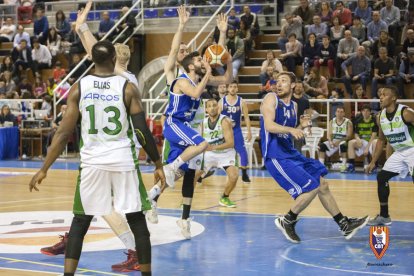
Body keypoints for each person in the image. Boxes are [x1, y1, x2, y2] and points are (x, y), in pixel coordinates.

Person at [29, 40, 166, 276]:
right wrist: (157, 163)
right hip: (123, 161)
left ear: (92, 60)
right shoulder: (127, 88)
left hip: (92, 164)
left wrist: (44, 168)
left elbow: (63, 133)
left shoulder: (79, 88)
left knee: (80, 222)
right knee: (137, 220)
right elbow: (142, 131)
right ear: (114, 59)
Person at [146, 8, 231, 241]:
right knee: (172, 168)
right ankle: (155, 198)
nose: (189, 52)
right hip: (176, 126)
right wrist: (181, 25)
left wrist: (221, 37)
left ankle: (178, 215)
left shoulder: (200, 75)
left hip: (191, 130)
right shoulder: (176, 76)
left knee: (189, 174)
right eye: (186, 52)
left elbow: (217, 62)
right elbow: (179, 57)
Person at [260, 71, 368, 243]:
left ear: (293, 85)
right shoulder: (271, 98)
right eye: (277, 81)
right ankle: (288, 220)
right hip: (275, 155)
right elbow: (269, 125)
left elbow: (291, 130)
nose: (279, 84)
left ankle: (344, 224)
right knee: (312, 186)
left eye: (284, 81)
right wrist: (292, 129)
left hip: (290, 153)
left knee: (322, 184)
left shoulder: (294, 107)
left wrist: (300, 126)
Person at [366, 86, 414, 225]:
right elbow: (381, 140)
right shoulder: (380, 117)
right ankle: (384, 216)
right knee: (382, 177)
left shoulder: (406, 113)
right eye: (379, 94)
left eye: (384, 94)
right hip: (399, 152)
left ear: (393, 98)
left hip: (412, 149)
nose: (380, 97)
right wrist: (373, 162)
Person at [197, 98, 239, 207]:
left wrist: (213, 147)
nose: (212, 108)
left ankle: (224, 198)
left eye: (214, 105)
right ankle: (186, 200)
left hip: (226, 153)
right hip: (209, 153)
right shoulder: (203, 122)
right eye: (209, 106)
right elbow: (201, 140)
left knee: (234, 176)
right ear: (206, 109)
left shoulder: (225, 121)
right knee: (194, 175)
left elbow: (230, 143)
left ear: (218, 108)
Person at [218, 81, 252, 183]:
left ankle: (244, 173)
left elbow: (246, 118)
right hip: (224, 130)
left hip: (236, 129)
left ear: (237, 89)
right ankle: (204, 172)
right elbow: (217, 117)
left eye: (235, 87)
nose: (233, 89)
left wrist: (249, 131)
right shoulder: (222, 101)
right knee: (213, 150)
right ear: (228, 89)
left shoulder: (241, 101)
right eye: (231, 87)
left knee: (242, 151)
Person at [318, 106, 353, 171]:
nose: (339, 113)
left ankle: (343, 165)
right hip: (333, 141)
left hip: (343, 140)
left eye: (341, 112)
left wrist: (339, 141)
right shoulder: (332, 121)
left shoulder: (348, 122)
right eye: (338, 112)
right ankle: (321, 166)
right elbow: (329, 134)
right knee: (322, 146)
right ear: (335, 113)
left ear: (344, 113)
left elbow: (349, 136)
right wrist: (330, 141)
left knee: (343, 145)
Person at [345, 105, 378, 173]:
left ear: (370, 112)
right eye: (364, 111)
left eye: (367, 111)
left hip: (371, 141)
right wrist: (357, 138)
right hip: (363, 141)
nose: (365, 112)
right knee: (351, 142)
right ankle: (351, 165)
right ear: (361, 112)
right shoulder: (358, 120)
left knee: (375, 142)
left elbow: (373, 136)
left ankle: (374, 165)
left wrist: (367, 148)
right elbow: (356, 133)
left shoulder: (373, 120)